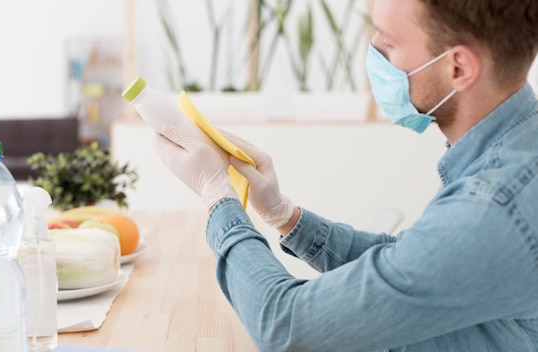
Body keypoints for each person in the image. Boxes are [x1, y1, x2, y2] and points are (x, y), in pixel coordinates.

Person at [153, 0, 538, 350]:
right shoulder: (515, 151)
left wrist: (217, 196)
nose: (374, 50)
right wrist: (285, 217)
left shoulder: (491, 207)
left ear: (458, 68)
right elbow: (410, 266)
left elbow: (287, 327)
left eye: (388, 41)